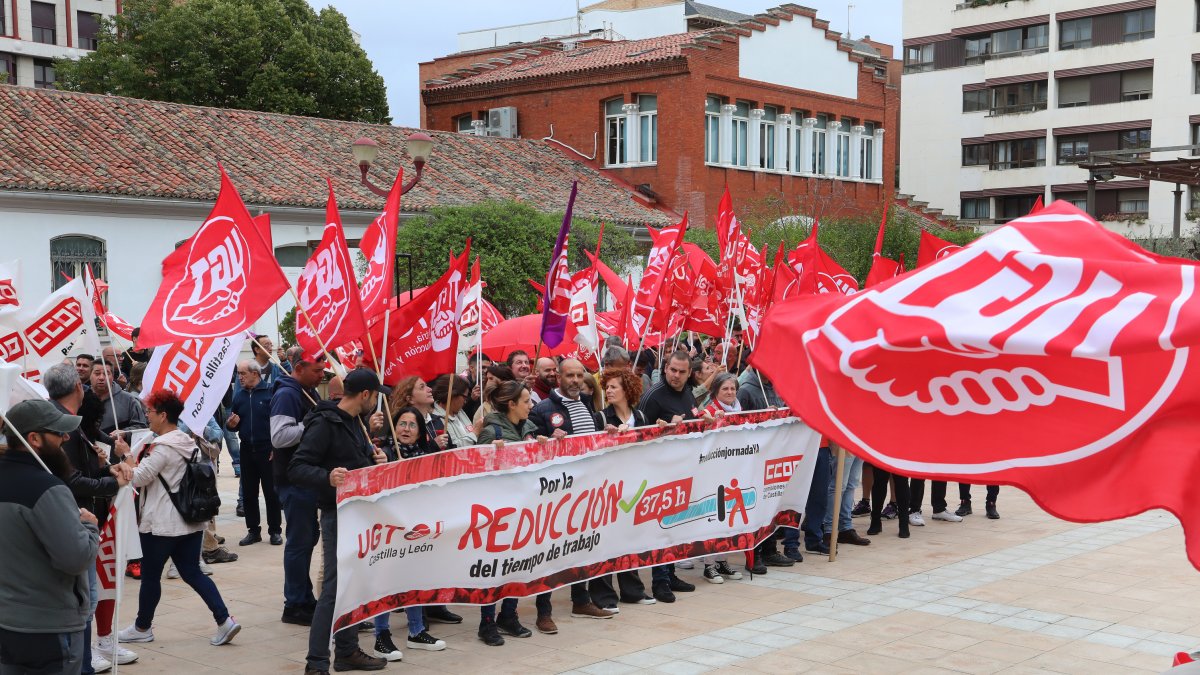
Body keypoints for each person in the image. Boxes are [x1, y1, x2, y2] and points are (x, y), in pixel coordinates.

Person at [117, 389, 241, 648]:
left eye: (150, 412)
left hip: (161, 524)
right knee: (193, 573)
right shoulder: (186, 441)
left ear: (163, 415)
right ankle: (224, 620)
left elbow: (138, 478)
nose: (147, 416)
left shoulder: (164, 448)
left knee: (151, 576)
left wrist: (126, 455)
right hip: (190, 520)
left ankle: (142, 627)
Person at [289, 369, 391, 674]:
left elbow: (356, 463)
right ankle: (316, 663)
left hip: (357, 515)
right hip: (337, 515)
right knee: (334, 589)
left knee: (352, 585)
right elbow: (297, 467)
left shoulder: (352, 423)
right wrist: (327, 477)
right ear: (364, 395)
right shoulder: (325, 422)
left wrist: (377, 459)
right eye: (375, 396)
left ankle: (347, 652)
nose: (375, 402)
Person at [43, 364, 137, 672]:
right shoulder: (59, 425)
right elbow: (71, 480)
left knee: (88, 596)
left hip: (77, 515)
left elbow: (83, 466)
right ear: (78, 388)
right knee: (84, 599)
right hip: (73, 517)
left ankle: (86, 656)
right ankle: (82, 662)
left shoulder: (70, 422)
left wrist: (108, 466)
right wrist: (113, 482)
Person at [0, 399, 100, 675]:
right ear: (34, 438)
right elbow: (75, 557)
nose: (65, 438)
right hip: (48, 628)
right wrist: (90, 527)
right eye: (58, 433)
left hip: (8, 622)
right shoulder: (47, 489)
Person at [528, 359, 614, 631]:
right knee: (551, 552)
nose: (576, 380)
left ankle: (581, 599)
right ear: (558, 378)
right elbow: (528, 443)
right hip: (557, 493)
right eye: (570, 375)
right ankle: (544, 611)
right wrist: (544, 440)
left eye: (580, 375)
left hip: (586, 489)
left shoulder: (588, 403)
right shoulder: (543, 409)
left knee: (582, 545)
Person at [368, 406, 448, 661]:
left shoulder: (427, 453)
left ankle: (416, 631)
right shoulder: (384, 453)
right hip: (390, 530)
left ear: (419, 431)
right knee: (387, 581)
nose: (406, 429)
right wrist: (381, 464)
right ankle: (381, 635)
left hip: (417, 528)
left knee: (414, 578)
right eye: (402, 424)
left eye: (412, 425)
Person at [474, 381, 537, 646]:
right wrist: (493, 456)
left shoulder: (530, 429)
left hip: (524, 507)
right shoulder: (492, 431)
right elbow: (478, 469)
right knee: (494, 567)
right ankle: (486, 622)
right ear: (511, 404)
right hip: (497, 511)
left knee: (519, 563)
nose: (531, 405)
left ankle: (508, 614)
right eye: (526, 401)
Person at [590, 368, 655, 610]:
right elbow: (593, 450)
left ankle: (633, 590)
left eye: (614, 386)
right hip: (608, 488)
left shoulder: (640, 416)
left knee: (630, 538)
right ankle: (604, 596)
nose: (608, 390)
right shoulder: (601, 418)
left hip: (634, 485)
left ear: (628, 389)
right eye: (607, 387)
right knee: (605, 541)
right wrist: (608, 438)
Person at [637, 350, 698, 603]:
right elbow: (639, 433)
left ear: (689, 373)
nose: (676, 375)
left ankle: (670, 573)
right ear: (665, 368)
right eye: (673, 370)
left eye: (682, 372)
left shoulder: (688, 393)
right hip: (657, 472)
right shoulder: (653, 396)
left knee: (675, 525)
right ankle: (660, 581)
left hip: (681, 469)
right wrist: (664, 429)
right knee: (660, 528)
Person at [272, 350, 326, 626]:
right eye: (317, 371)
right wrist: (310, 424)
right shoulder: (288, 395)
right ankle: (294, 603)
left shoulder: (304, 392)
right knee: (299, 542)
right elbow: (280, 437)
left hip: (305, 479)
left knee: (306, 540)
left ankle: (303, 598)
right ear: (300, 367)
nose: (321, 376)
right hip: (294, 480)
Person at [737, 367, 805, 567]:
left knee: (771, 504)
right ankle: (754, 553)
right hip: (755, 458)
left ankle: (769, 549)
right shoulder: (746, 390)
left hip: (772, 457)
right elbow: (740, 423)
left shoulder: (773, 388)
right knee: (757, 507)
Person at [696, 372, 747, 584]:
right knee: (713, 518)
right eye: (725, 389)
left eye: (733, 388)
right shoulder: (707, 411)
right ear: (716, 391)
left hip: (733, 471)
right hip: (712, 473)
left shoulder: (739, 410)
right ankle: (709, 565)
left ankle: (722, 559)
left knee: (728, 518)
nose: (730, 392)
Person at [228, 360, 282, 547]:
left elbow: (278, 424)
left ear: (255, 373)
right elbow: (232, 422)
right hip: (246, 449)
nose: (240, 377)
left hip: (267, 449)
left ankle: (275, 531)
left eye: (242, 373)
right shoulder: (240, 396)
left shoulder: (270, 393)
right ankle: (253, 531)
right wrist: (231, 424)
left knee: (271, 492)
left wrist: (276, 448)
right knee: (249, 493)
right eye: (239, 374)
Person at [92, 362, 147, 437]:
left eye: (106, 374)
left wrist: (125, 433)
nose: (101, 377)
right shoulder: (82, 398)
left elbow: (141, 427)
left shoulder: (128, 399)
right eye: (97, 373)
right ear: (90, 375)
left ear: (112, 376)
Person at [430, 375, 476, 449]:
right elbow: (454, 447)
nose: (465, 401)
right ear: (453, 395)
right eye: (464, 397)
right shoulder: (437, 419)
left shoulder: (459, 411)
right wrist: (475, 433)